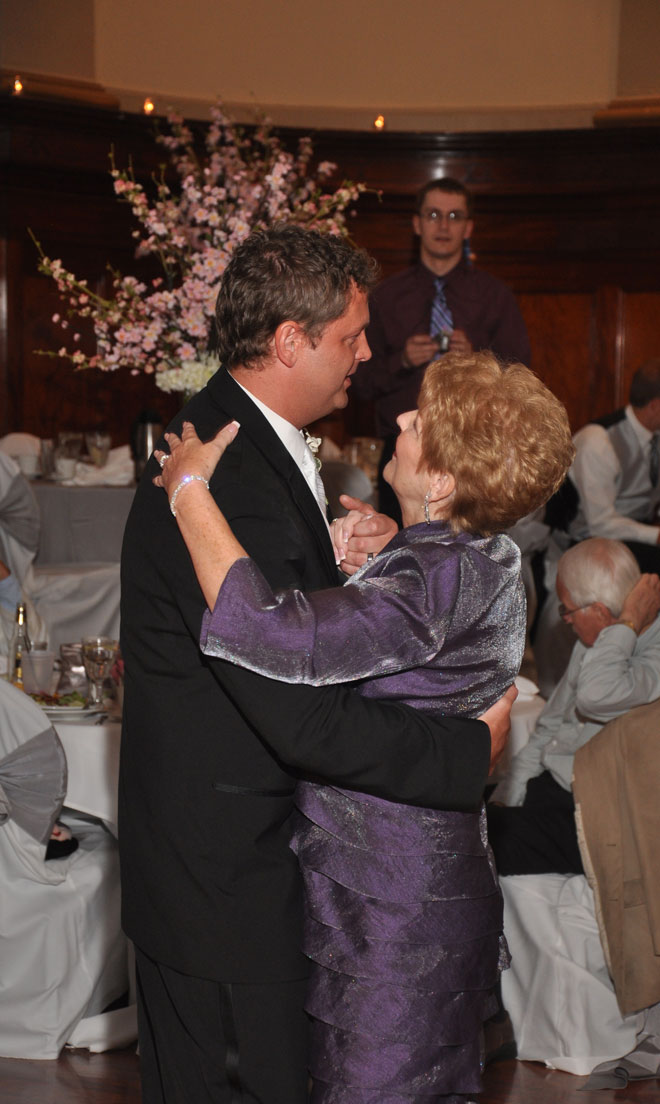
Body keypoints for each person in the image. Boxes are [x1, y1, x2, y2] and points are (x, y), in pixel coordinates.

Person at [118, 226, 517, 1104]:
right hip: (227, 887)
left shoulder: (239, 443)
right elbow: (293, 708)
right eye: (350, 337)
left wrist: (361, 566)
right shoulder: (221, 479)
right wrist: (459, 755)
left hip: (235, 873)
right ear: (290, 340)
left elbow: (306, 628)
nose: (368, 355)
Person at [153, 351, 574, 1102]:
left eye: (421, 422)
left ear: (443, 482)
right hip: (429, 880)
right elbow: (434, 628)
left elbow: (274, 632)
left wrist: (189, 491)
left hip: (390, 905)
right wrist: (393, 552)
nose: (402, 420)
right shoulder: (494, 555)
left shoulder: (431, 578)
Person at [352, 177, 531, 521]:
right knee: (401, 551)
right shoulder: (385, 298)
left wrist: (477, 361)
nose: (443, 225)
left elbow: (522, 380)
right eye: (434, 215)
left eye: (454, 216)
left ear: (468, 227)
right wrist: (401, 360)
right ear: (417, 224)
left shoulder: (495, 297)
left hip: (477, 449)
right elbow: (358, 381)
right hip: (402, 448)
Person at [488, 537, 660, 876]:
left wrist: (624, 626)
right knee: (465, 820)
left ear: (597, 610)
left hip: (595, 814)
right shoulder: (593, 643)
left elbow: (596, 696)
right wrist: (511, 796)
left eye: (567, 609)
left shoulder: (649, 650)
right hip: (550, 790)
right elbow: (549, 729)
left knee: (474, 846)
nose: (564, 619)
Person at [566, 357, 660, 574]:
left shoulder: (656, 436)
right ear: (655, 406)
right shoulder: (598, 441)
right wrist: (654, 535)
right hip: (590, 544)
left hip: (638, 538)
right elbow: (600, 523)